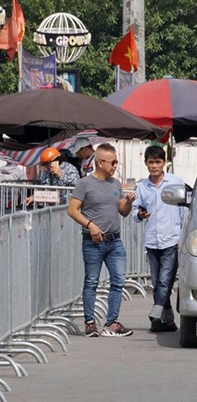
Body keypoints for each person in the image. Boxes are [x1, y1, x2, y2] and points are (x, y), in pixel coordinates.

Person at [67, 143, 135, 338]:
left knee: (118, 281)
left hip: (115, 241)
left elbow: (122, 211)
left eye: (116, 162)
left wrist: (128, 202)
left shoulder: (115, 184)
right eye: (112, 162)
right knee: (91, 282)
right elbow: (72, 210)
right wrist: (90, 224)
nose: (115, 166)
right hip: (93, 242)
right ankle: (90, 323)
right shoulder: (84, 184)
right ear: (100, 163)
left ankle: (112, 322)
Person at [134, 146, 185, 332]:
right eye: (151, 162)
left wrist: (182, 237)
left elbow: (183, 211)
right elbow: (135, 212)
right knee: (158, 282)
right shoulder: (142, 186)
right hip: (152, 240)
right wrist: (140, 214)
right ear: (146, 163)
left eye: (158, 162)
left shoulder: (175, 181)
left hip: (171, 239)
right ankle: (167, 320)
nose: (154, 166)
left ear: (164, 163)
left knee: (165, 280)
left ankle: (156, 312)